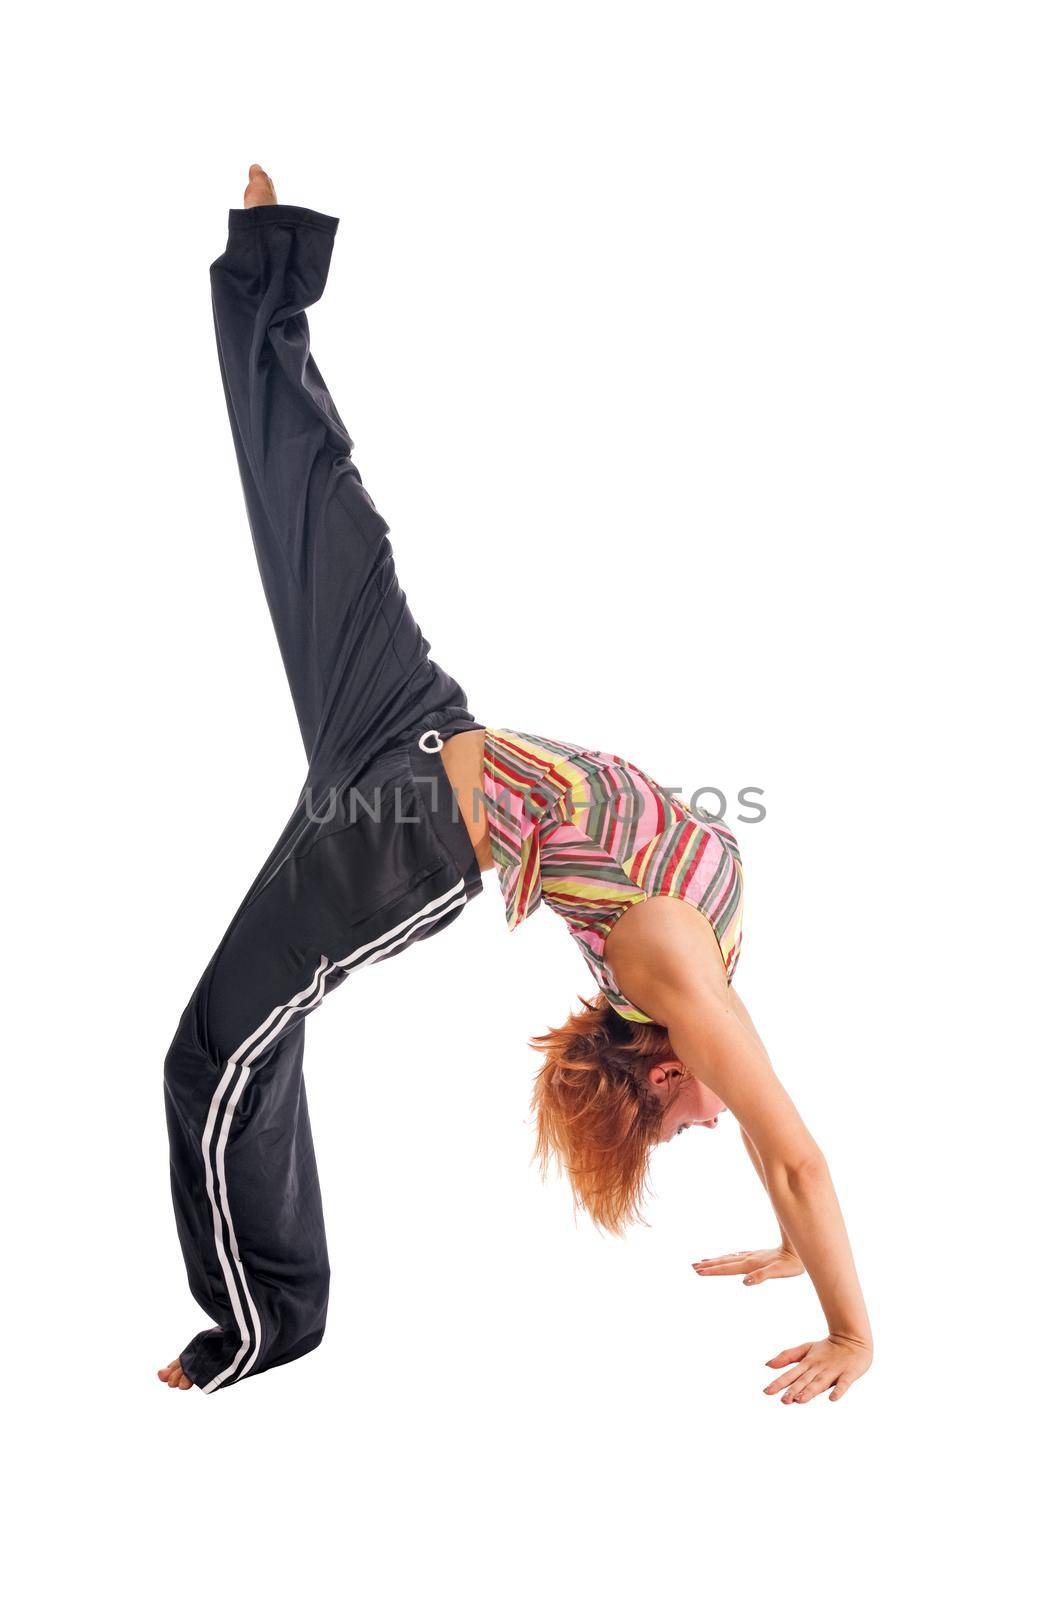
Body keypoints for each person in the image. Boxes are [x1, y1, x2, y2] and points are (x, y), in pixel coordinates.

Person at [159, 167, 872, 1404]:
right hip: (414, 720)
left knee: (215, 1052)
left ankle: (268, 1322)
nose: (711, 1122)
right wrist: (833, 1295)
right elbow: (782, 1147)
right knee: (314, 506)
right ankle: (269, 260)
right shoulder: (700, 976)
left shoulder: (666, 967)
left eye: (679, 1123)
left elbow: (787, 1148)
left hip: (404, 835)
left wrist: (839, 1300)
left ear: (658, 1065)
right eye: (697, 1124)